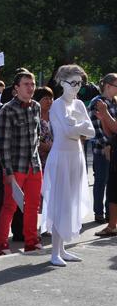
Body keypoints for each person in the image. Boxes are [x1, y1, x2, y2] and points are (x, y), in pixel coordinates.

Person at [41, 65, 95, 266]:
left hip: (76, 157)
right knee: (60, 203)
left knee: (71, 202)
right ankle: (54, 252)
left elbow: (91, 132)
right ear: (62, 83)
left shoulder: (79, 105)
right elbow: (68, 132)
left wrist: (77, 125)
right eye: (72, 83)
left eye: (79, 83)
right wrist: (78, 127)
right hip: (61, 158)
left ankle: (62, 249)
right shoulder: (57, 105)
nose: (76, 87)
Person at [0, 70, 43, 255]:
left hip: (34, 165)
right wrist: (8, 171)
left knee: (33, 205)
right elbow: (2, 144)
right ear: (16, 88)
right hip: (15, 167)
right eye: (26, 84)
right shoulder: (7, 109)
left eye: (32, 84)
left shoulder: (36, 106)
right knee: (10, 206)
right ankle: (1, 245)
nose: (30, 88)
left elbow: (37, 137)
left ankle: (31, 241)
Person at [89, 73, 117, 223]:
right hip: (101, 149)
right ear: (107, 86)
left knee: (112, 183)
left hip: (114, 149)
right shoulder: (96, 102)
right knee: (101, 181)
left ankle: (109, 213)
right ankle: (98, 213)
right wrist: (107, 144)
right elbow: (95, 128)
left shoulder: (115, 102)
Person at [35, 86, 54, 169]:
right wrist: (48, 147)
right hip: (39, 161)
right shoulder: (34, 117)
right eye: (46, 98)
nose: (49, 101)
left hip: (56, 159)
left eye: (51, 98)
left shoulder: (55, 116)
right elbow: (33, 139)